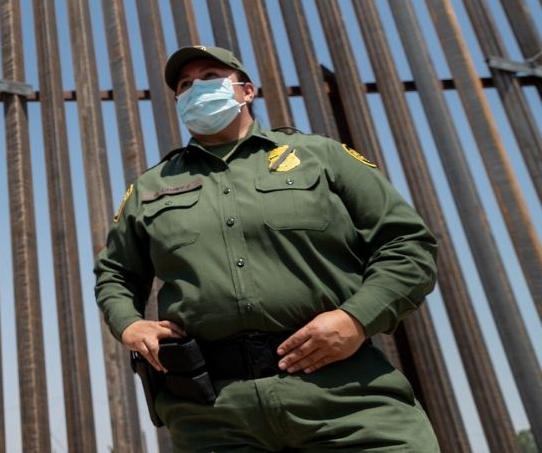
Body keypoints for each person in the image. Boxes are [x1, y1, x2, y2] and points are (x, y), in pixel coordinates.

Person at [94, 45, 440, 451]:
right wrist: (129, 324)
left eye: (209, 77)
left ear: (246, 91)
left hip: (348, 400)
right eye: (185, 85)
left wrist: (357, 318)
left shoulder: (320, 156)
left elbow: (407, 244)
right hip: (214, 419)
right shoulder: (149, 187)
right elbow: (115, 273)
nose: (195, 88)